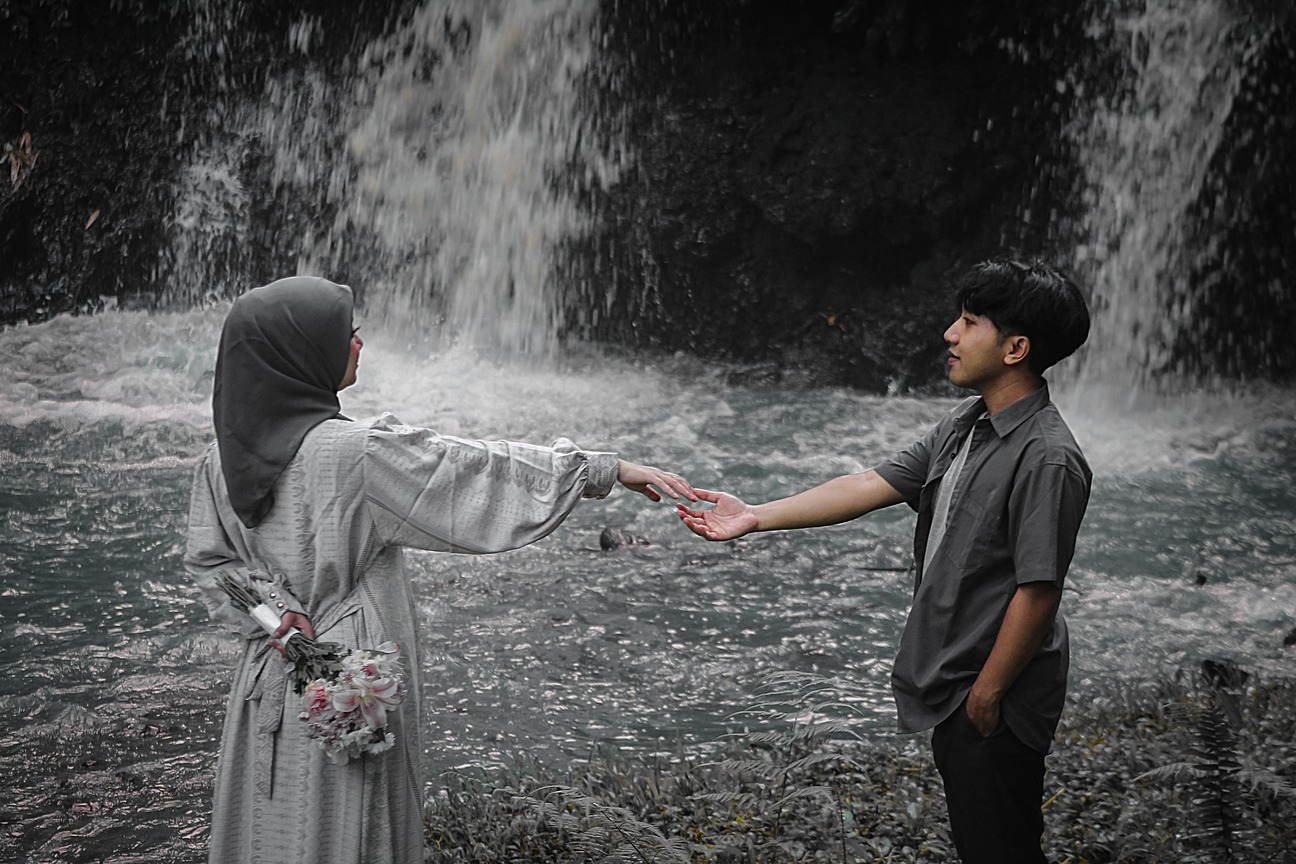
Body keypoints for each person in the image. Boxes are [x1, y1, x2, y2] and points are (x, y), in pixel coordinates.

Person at [184, 275, 695, 864]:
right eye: (345, 333)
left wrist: (276, 618)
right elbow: (471, 471)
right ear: (300, 352)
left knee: (269, 820)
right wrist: (601, 469)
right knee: (353, 817)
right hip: (355, 673)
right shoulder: (357, 453)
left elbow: (212, 563)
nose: (358, 343)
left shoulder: (220, 460)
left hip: (271, 665)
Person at [678, 259, 1092, 864]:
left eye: (969, 322)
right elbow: (870, 483)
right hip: (957, 681)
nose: (950, 333)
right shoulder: (967, 424)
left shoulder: (1047, 458)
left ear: (1015, 349)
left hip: (995, 698)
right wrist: (756, 515)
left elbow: (1039, 591)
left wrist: (986, 697)